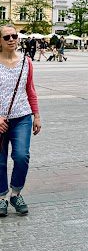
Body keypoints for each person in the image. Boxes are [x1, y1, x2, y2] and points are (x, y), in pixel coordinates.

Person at [0, 24, 41, 217]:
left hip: (22, 117)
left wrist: (37, 115)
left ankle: (15, 193)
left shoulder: (26, 62)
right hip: (0, 120)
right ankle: (1, 197)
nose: (11, 40)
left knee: (21, 155)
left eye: (14, 36)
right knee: (0, 161)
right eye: (6, 37)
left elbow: (30, 90)